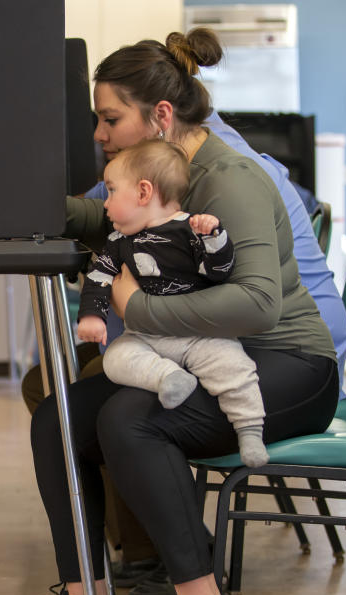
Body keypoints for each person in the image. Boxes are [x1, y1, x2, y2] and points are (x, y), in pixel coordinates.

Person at [0, 29, 338, 595]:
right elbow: (105, 219)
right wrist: (18, 205)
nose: (99, 135)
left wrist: (137, 307)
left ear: (159, 116)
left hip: (289, 363)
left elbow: (259, 304)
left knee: (130, 421)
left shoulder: (228, 180)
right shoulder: (158, 180)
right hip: (207, 352)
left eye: (110, 119)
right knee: (59, 416)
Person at [78, 138, 267, 467]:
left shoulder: (189, 230)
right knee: (116, 358)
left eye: (111, 191)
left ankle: (249, 429)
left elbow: (220, 272)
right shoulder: (118, 242)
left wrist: (215, 239)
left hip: (197, 335)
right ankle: (167, 378)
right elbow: (98, 279)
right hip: (146, 339)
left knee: (233, 364)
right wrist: (93, 316)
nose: (105, 204)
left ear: (143, 192)